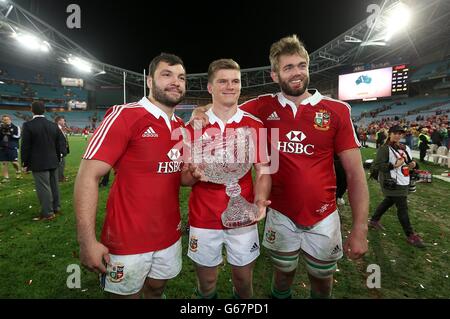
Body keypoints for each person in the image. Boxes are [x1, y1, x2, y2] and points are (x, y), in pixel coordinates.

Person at [191, 35, 368, 299]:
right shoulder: (263, 106)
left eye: (301, 66)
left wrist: (360, 228)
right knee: (283, 275)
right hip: (280, 213)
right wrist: (200, 110)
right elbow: (225, 103)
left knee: (322, 281)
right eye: (288, 68)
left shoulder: (337, 110)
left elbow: (355, 174)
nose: (297, 73)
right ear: (275, 75)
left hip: (323, 213)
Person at [74, 53, 191, 299]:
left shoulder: (181, 126)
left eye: (181, 77)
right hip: (127, 239)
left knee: (156, 289)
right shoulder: (124, 115)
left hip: (170, 234)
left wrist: (193, 174)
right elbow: (88, 176)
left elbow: (179, 177)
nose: (176, 82)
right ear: (149, 81)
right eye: (166, 74)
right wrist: (87, 241)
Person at [184, 59, 272, 299]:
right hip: (203, 217)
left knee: (244, 282)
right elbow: (183, 179)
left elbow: (263, 170)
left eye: (235, 81)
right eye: (222, 81)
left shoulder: (255, 125)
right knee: (207, 283)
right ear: (210, 87)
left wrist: (261, 198)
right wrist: (192, 173)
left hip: (243, 216)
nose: (230, 86)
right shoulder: (193, 126)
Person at [369, 125, 425, 248]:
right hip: (392, 183)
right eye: (395, 133)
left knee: (388, 201)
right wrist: (393, 165)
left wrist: (414, 164)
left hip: (404, 181)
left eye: (400, 133)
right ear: (390, 134)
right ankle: (410, 235)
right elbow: (377, 166)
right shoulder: (385, 149)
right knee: (402, 208)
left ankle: (373, 220)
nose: (398, 135)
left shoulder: (405, 147)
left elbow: (412, 162)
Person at [21, 102, 66, 221]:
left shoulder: (28, 125)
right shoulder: (53, 125)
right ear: (44, 111)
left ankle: (47, 213)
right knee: (54, 185)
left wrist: (25, 163)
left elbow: (25, 146)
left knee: (44, 187)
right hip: (53, 160)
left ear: (32, 110)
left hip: (38, 162)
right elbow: (59, 143)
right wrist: (58, 157)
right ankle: (56, 208)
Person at [0, 115, 22, 182]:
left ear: (10, 120)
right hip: (2, 147)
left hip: (12, 146)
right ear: (2, 121)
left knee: (14, 162)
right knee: (4, 163)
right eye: (4, 120)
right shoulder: (0, 128)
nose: (6, 121)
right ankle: (6, 178)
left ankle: (18, 170)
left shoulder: (16, 127)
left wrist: (10, 134)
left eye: (7, 119)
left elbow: (18, 136)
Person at [54, 116, 70, 182]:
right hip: (59, 150)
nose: (64, 122)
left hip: (62, 150)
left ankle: (61, 177)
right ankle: (59, 178)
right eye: (63, 121)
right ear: (59, 121)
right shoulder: (56, 128)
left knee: (62, 164)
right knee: (61, 164)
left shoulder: (61, 128)